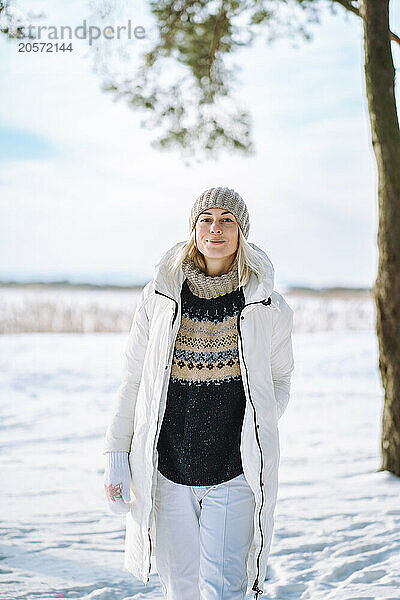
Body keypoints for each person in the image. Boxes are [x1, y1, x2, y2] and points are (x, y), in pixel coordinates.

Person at [103, 187, 295, 600]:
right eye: (206, 218)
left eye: (228, 219)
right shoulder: (160, 297)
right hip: (169, 471)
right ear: (193, 229)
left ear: (242, 231)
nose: (216, 228)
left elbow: (280, 380)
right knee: (180, 589)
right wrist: (117, 453)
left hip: (234, 472)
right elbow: (133, 378)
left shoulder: (268, 306)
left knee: (224, 590)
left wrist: (257, 425)